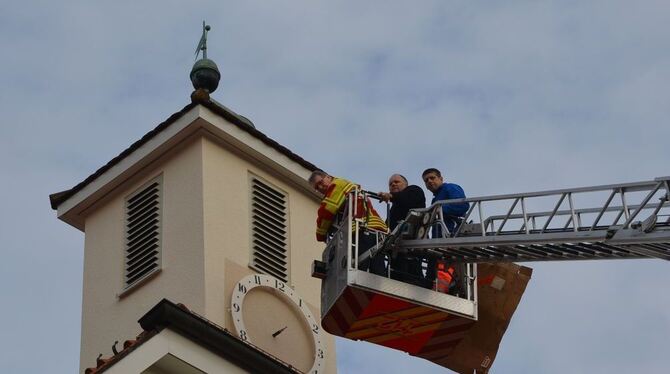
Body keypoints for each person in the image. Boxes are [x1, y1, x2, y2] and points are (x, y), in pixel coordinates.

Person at [308, 170, 388, 275]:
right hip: (374, 229)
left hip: (363, 228)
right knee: (376, 270)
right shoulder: (343, 184)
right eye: (317, 188)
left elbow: (327, 211)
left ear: (328, 177)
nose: (320, 187)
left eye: (320, 183)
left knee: (360, 269)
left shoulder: (337, 184)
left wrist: (320, 234)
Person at [422, 168, 469, 293]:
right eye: (426, 180)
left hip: (450, 237)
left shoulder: (450, 188)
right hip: (438, 242)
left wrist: (440, 209)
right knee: (431, 276)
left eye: (432, 178)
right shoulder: (435, 200)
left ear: (441, 179)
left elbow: (462, 205)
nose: (429, 181)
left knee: (447, 272)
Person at [378, 174, 426, 286]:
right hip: (397, 250)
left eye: (396, 182)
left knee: (413, 281)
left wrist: (390, 197)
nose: (393, 184)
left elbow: (407, 200)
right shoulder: (394, 207)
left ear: (406, 184)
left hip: (412, 245)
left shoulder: (414, 190)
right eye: (390, 184)